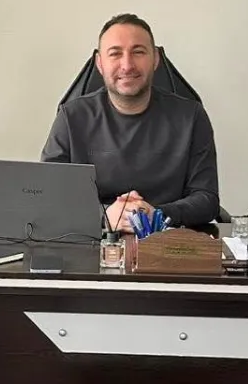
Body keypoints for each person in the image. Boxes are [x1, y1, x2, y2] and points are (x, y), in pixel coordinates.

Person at [41, 13, 219, 232]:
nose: (127, 65)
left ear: (155, 59)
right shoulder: (71, 117)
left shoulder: (191, 116)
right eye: (115, 53)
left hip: (168, 241)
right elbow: (48, 195)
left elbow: (207, 198)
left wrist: (155, 215)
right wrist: (104, 216)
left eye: (138, 52)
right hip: (94, 241)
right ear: (100, 63)